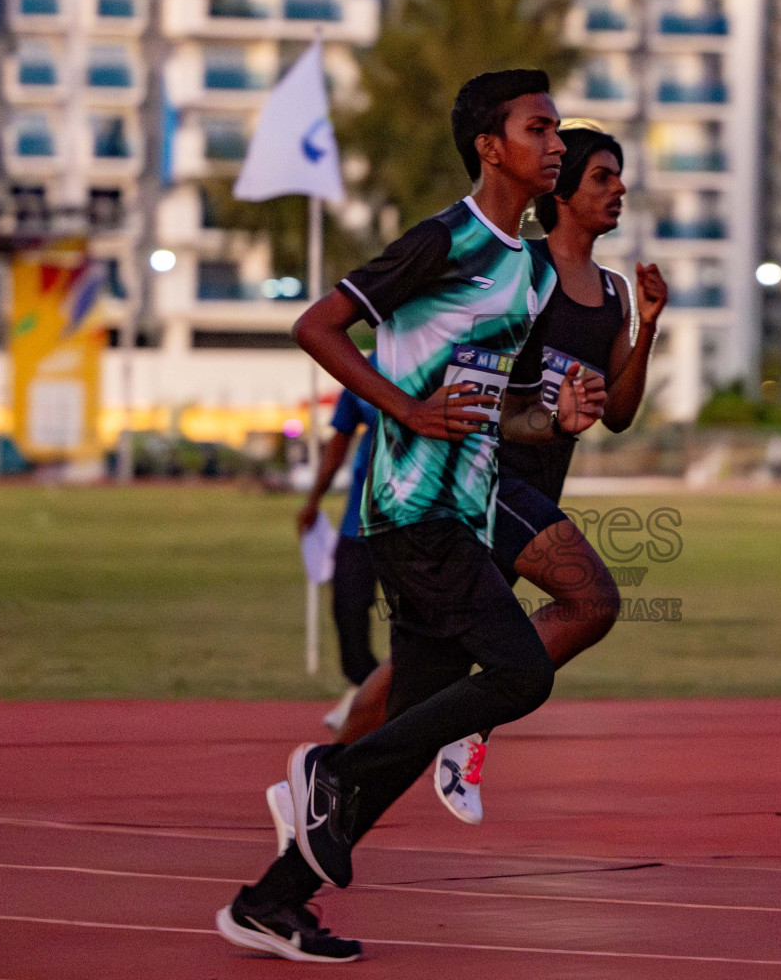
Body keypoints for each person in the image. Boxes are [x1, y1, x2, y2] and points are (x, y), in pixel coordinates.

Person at [216, 69, 605, 964]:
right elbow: (318, 327)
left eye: (556, 130)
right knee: (520, 674)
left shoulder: (519, 266)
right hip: (412, 511)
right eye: (540, 128)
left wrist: (551, 420)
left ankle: (269, 902)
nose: (556, 143)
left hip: (461, 513)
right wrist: (401, 408)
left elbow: (480, 404)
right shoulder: (446, 239)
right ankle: (328, 770)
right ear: (489, 145)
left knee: (408, 728)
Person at [288, 125, 668, 828]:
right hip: (485, 482)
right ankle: (470, 724)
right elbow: (468, 367)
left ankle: (318, 788)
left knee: (421, 667)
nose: (618, 189)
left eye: (618, 178)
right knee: (589, 605)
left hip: (534, 491)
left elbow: (617, 413)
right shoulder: (517, 271)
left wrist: (645, 328)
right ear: (560, 192)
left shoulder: (613, 292)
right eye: (602, 177)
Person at [295, 358, 382, 735]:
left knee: (416, 616)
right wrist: (314, 500)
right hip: (358, 520)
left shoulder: (439, 359)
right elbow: (341, 435)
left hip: (418, 517)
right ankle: (364, 686)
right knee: (347, 604)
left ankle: (395, 697)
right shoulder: (367, 368)